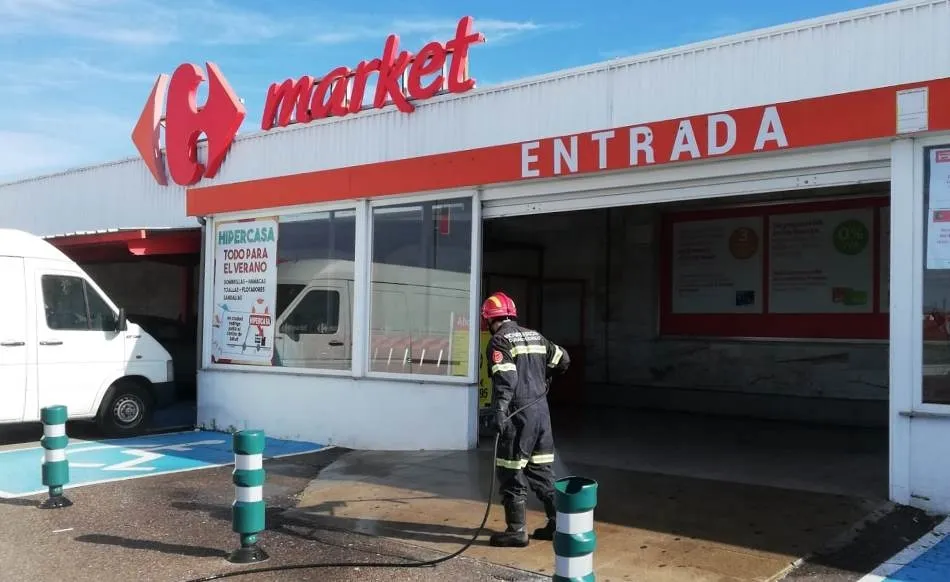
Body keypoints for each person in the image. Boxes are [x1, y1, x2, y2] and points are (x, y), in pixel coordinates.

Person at [481, 291, 570, 548]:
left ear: (489, 319)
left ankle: (516, 531)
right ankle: (559, 525)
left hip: (518, 415)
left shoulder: (499, 341)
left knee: (510, 472)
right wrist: (546, 377)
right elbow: (563, 359)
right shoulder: (536, 336)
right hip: (542, 415)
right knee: (542, 471)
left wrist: (499, 411)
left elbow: (506, 379)